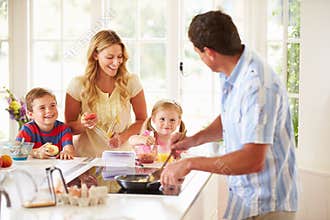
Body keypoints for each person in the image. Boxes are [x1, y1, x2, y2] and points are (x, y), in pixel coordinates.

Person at [160, 10, 298, 220]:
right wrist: (192, 140)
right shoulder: (233, 70)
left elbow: (253, 160)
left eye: (198, 54)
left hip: (266, 206)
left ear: (209, 53)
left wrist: (190, 163)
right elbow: (231, 117)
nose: (201, 59)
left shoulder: (258, 85)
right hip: (243, 200)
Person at [65, 30, 147, 157]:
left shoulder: (131, 81)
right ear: (95, 55)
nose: (116, 63)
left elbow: (142, 120)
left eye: (119, 57)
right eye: (110, 57)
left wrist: (122, 137)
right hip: (85, 160)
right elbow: (67, 129)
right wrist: (83, 124)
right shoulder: (78, 84)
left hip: (122, 159)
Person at [16, 88, 75, 160]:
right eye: (42, 108)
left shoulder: (64, 129)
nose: (49, 110)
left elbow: (69, 150)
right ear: (30, 114)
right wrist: (35, 152)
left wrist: (66, 152)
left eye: (52, 105)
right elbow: (17, 149)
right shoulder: (27, 129)